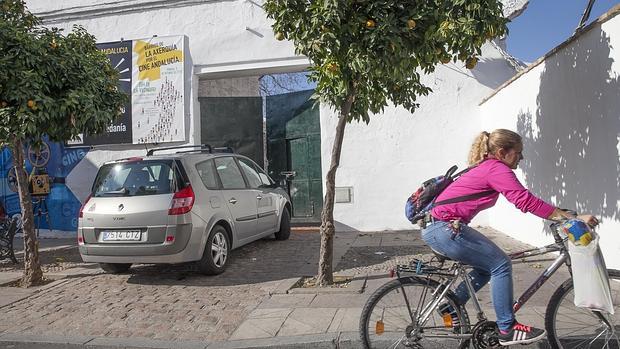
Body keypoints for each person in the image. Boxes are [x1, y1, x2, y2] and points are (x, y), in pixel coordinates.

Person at [421, 129, 598, 346]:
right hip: (444, 229)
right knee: (501, 264)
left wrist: (561, 213)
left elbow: (525, 200)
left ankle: (452, 304)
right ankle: (507, 328)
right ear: (503, 152)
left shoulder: (487, 167)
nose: (521, 158)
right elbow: (525, 201)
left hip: (439, 227)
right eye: (519, 153)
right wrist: (574, 216)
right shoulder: (495, 169)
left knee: (487, 268)